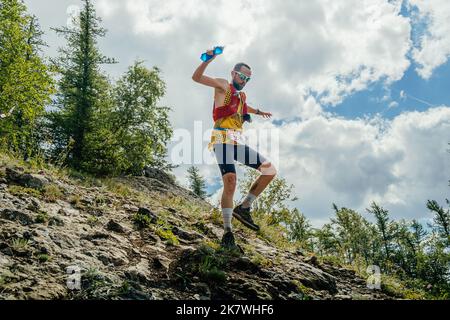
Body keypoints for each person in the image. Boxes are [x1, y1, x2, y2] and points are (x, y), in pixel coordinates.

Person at [192, 48, 277, 250]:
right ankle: (228, 231)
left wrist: (258, 112)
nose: (244, 79)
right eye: (242, 75)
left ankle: (244, 207)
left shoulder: (242, 97)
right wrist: (208, 60)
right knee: (230, 181)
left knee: (269, 171)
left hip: (236, 141)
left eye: (248, 78)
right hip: (221, 138)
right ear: (233, 73)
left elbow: (244, 108)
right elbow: (196, 78)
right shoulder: (223, 86)